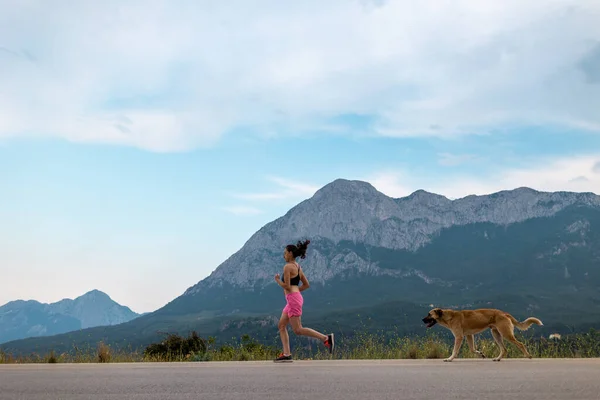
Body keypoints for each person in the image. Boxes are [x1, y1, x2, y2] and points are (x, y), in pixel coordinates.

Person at [273, 239, 334, 362]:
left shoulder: (287, 267)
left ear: (290, 253)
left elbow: (287, 286)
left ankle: (326, 338)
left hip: (293, 299)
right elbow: (306, 285)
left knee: (298, 330)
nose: (284, 255)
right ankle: (286, 354)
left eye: (285, 253)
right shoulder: (298, 267)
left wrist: (278, 280)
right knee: (281, 325)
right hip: (293, 299)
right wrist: (296, 293)